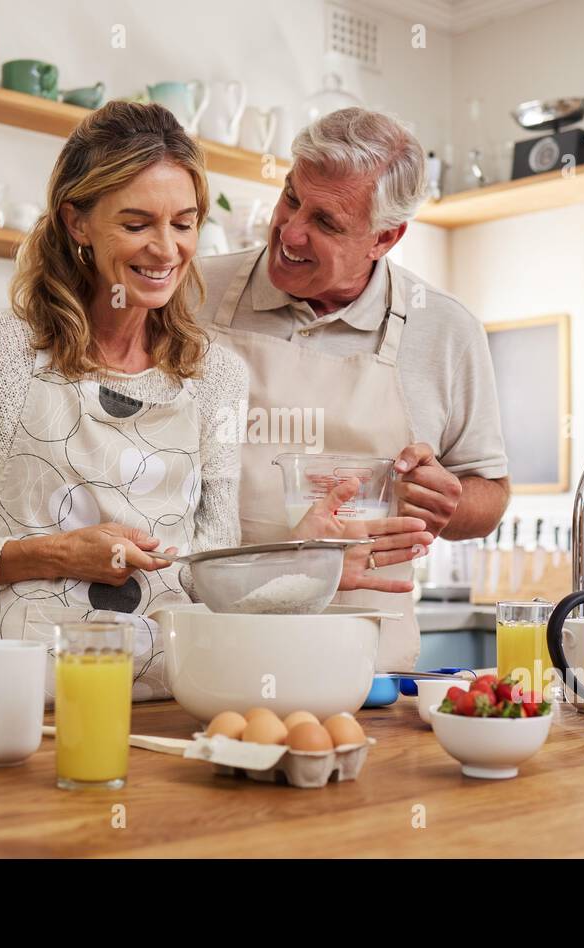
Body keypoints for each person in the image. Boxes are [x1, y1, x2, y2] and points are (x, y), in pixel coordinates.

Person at [0, 101, 428, 700]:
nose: (166, 250)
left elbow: (206, 574)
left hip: (180, 702)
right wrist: (52, 554)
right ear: (77, 222)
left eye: (184, 223)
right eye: (137, 224)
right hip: (32, 706)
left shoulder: (212, 374)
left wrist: (306, 565)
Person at [197, 107, 511, 671]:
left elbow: (490, 496)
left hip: (365, 666)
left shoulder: (444, 330)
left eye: (327, 222)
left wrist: (449, 501)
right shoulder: (194, 296)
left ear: (384, 238)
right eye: (291, 197)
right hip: (215, 646)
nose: (290, 232)